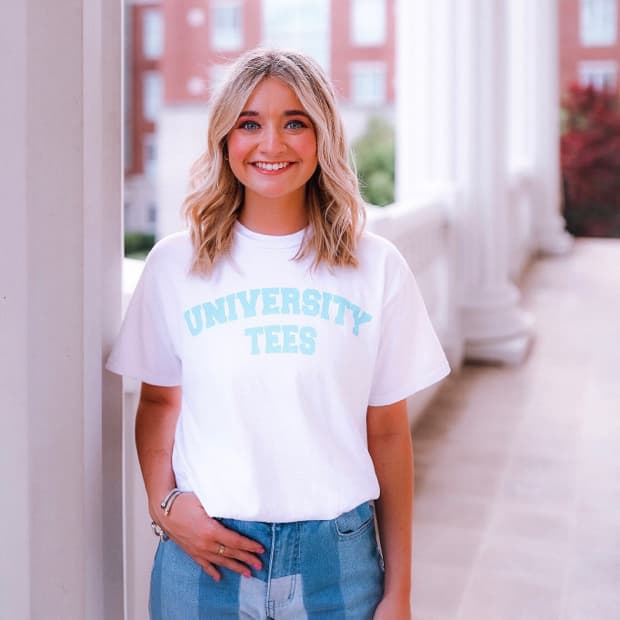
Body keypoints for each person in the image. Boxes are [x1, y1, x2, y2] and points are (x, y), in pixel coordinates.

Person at [107, 48, 450, 620]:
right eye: (249, 123)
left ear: (323, 136)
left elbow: (388, 433)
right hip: (205, 559)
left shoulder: (376, 266)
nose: (272, 144)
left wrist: (400, 592)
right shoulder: (175, 265)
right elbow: (160, 401)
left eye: (295, 122)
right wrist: (164, 505)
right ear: (224, 138)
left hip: (337, 564)